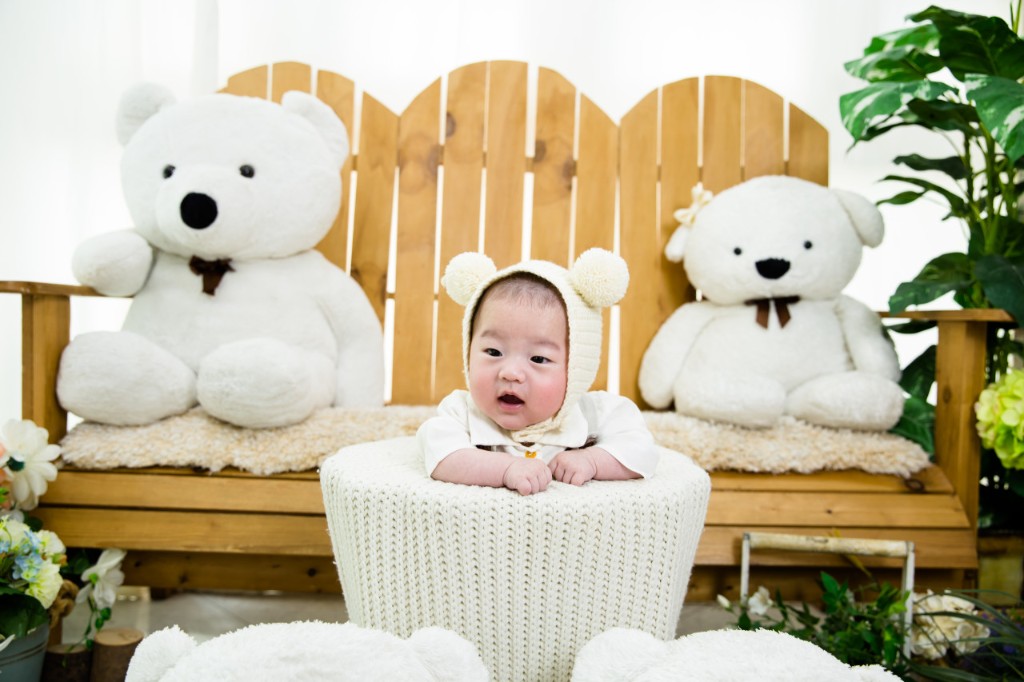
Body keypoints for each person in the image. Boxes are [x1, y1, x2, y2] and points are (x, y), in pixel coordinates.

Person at [417, 248, 659, 495]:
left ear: (576, 368)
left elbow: (641, 450)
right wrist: (506, 469)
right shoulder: (461, 412)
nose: (510, 373)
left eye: (538, 359)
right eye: (493, 352)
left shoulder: (594, 414)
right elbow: (441, 455)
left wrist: (593, 460)